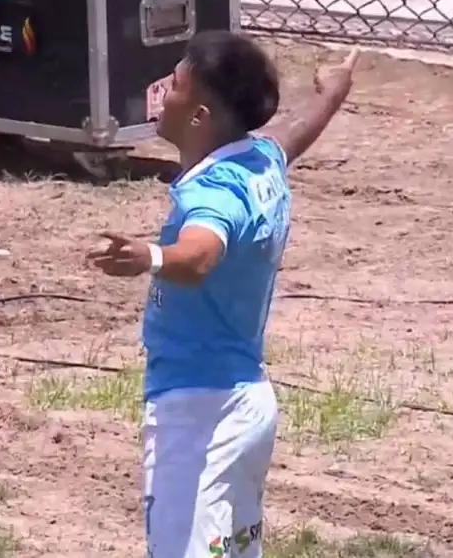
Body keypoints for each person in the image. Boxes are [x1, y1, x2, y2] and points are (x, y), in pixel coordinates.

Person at [86, 31, 360, 558]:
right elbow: (292, 138)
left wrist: (152, 257)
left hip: (199, 416)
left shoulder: (214, 193)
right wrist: (331, 94)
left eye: (177, 84)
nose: (163, 90)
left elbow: (202, 253)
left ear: (200, 115)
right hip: (246, 405)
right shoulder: (258, 161)